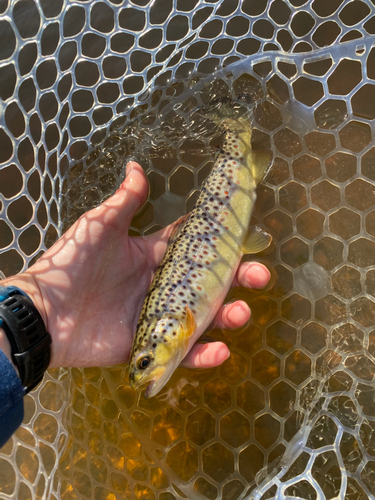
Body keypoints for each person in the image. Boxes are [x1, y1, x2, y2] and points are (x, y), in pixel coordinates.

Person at [0, 161, 270, 446]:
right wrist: (37, 310)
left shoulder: (180, 323)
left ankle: (238, 150)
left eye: (145, 362)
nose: (141, 375)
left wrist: (43, 305)